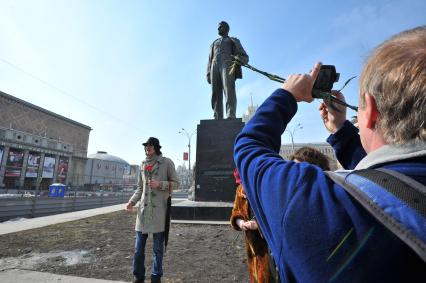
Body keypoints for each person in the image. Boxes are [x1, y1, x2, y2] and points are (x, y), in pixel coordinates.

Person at [234, 26, 426, 283]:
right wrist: (342, 133)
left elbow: (248, 147)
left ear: (368, 111)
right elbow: (387, 182)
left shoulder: (311, 199)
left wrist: (287, 94)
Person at [230, 148, 330, 282]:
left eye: (302, 171)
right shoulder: (254, 191)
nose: (295, 176)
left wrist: (258, 225)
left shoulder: (326, 203)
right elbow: (238, 212)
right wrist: (242, 223)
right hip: (264, 255)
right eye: (292, 170)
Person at [125, 137, 179, 283]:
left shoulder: (166, 162)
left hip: (159, 213)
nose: (147, 148)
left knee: (158, 250)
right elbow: (140, 188)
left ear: (155, 147)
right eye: (145, 146)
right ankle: (138, 276)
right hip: (143, 212)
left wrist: (160, 184)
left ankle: (156, 277)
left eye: (149, 146)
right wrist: (131, 202)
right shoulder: (142, 164)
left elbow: (176, 184)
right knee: (138, 249)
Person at [207, 21, 249, 119]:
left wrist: (239, 59)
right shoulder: (214, 43)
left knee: (228, 89)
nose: (218, 29)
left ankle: (231, 114)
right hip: (214, 65)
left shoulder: (232, 40)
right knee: (215, 92)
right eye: (218, 27)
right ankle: (217, 116)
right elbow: (209, 59)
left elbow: (244, 56)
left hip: (227, 64)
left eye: (220, 27)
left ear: (226, 28)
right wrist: (208, 72)